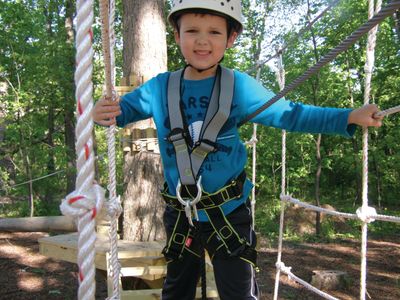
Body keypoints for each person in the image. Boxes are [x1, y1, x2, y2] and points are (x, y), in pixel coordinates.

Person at [93, 1, 383, 299]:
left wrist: (346, 117)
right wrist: (103, 112)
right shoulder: (160, 88)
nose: (202, 40)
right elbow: (121, 112)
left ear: (230, 39)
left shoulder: (239, 87)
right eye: (191, 30)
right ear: (177, 36)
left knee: (238, 292)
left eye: (214, 32)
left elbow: (290, 114)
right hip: (181, 216)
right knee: (176, 290)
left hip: (229, 215)